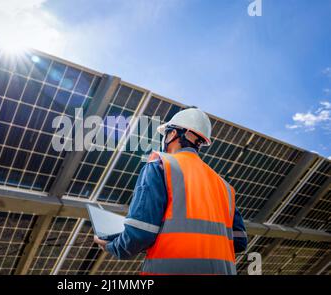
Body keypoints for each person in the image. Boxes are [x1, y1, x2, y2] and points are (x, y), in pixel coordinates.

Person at [94, 107, 247, 275]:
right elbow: (239, 242)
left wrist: (110, 245)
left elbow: (140, 233)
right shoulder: (224, 187)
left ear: (173, 134)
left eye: (165, 134)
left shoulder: (161, 165)